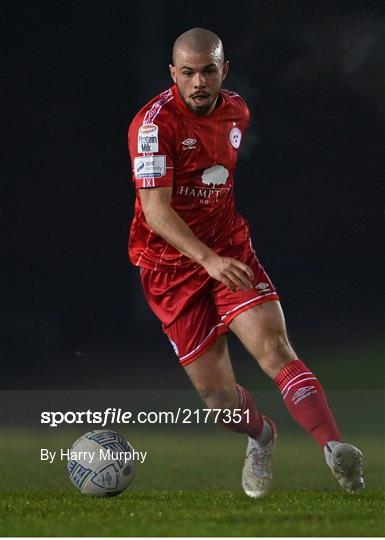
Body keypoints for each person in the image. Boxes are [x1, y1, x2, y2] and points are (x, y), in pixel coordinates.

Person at [127, 27, 364, 497]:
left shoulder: (237, 110)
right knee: (219, 403)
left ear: (224, 71)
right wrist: (205, 259)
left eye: (208, 71)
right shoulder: (152, 127)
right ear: (173, 73)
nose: (199, 82)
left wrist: (219, 256)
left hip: (229, 252)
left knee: (275, 350)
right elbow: (156, 210)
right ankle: (261, 437)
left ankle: (336, 451)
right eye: (188, 73)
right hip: (171, 269)